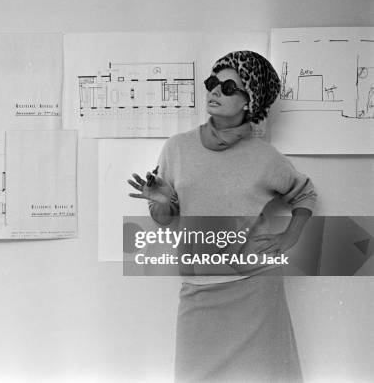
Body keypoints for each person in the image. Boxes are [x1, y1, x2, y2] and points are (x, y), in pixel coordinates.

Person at [127, 51, 317, 382]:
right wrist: (161, 202)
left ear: (249, 101)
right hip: (199, 287)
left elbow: (304, 193)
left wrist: (290, 236)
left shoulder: (264, 157)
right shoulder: (177, 148)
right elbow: (163, 218)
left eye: (228, 87)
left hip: (255, 288)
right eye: (213, 83)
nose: (215, 92)